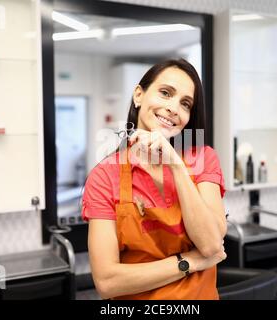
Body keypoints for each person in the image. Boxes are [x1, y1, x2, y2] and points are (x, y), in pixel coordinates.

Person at [81, 58, 227, 300]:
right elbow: (107, 281)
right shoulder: (104, 176)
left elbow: (211, 245)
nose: (173, 108)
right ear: (139, 95)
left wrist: (175, 164)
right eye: (165, 93)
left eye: (185, 104)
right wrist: (189, 262)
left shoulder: (203, 158)